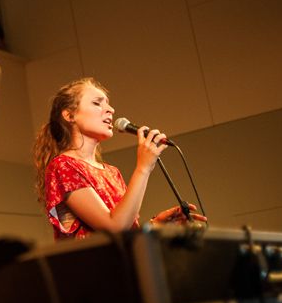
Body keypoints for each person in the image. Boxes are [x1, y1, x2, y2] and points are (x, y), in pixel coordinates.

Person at [33, 77, 206, 241]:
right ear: (70, 115)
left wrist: (154, 226)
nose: (111, 110)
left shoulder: (111, 172)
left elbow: (123, 232)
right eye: (96, 103)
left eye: (108, 104)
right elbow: (114, 227)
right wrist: (143, 168)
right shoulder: (63, 165)